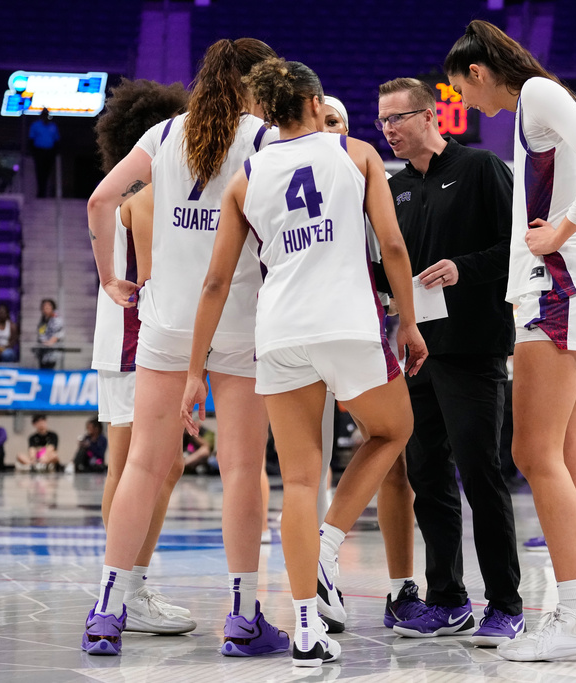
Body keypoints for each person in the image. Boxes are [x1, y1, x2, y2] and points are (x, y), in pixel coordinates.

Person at [180, 58, 428, 667]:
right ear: (317, 103)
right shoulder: (357, 153)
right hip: (348, 323)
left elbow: (215, 283)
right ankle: (330, 539)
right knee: (394, 430)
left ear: (265, 113)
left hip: (281, 330)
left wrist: (194, 372)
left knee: (296, 481)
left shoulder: (246, 176)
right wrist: (410, 320)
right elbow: (391, 243)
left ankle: (307, 630)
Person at [82, 38, 282, 658]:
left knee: (143, 463)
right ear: (255, 83)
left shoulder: (166, 133)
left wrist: (109, 275)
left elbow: (100, 200)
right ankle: (243, 616)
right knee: (243, 470)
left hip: (165, 324)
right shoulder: (263, 139)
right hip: (239, 321)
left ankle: (107, 611)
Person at [446, 20, 576, 660]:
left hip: (556, 287)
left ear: (478, 72)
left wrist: (560, 231)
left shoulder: (537, 97)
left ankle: (575, 615)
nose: (463, 102)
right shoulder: (539, 105)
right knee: (569, 456)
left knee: (535, 452)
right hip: (573, 286)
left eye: (459, 87)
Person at [374, 76, 523, 645]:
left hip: (473, 347)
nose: (388, 130)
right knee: (427, 474)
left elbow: (519, 245)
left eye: (398, 118)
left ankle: (506, 604)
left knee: (481, 474)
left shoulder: (482, 169)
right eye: (382, 121)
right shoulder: (396, 188)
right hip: (417, 354)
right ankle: (446, 598)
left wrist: (465, 268)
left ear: (430, 115)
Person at [89, 76, 194, 636]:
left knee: (147, 464)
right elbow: (155, 277)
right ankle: (126, 587)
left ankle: (124, 584)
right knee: (145, 465)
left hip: (125, 341)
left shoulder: (134, 198)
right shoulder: (147, 198)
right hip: (139, 341)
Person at [323, 93, 423, 630]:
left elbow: (392, 253)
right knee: (305, 466)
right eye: (324, 121)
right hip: (340, 325)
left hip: (346, 322)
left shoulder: (373, 175)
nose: (331, 131)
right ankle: (317, 572)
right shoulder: (352, 162)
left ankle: (399, 584)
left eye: (339, 122)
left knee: (389, 453)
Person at [29, 109, 61, 198]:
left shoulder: (53, 126)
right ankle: (40, 192)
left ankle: (45, 191)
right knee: (39, 172)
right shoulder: (35, 125)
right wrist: (33, 152)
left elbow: (56, 140)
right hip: (39, 152)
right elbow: (31, 139)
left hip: (49, 152)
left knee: (47, 172)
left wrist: (55, 152)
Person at [36, 298, 64, 369]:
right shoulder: (43, 320)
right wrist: (43, 342)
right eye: (44, 308)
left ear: (52, 308)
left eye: (48, 307)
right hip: (43, 351)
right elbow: (41, 334)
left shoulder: (57, 319)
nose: (45, 309)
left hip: (53, 351)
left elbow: (58, 333)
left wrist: (51, 342)